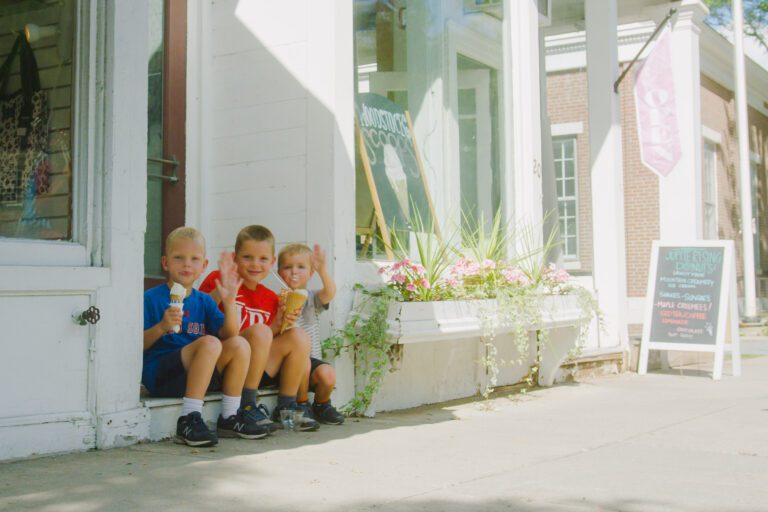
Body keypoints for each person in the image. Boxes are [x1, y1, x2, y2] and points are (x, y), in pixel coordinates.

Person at [143, 227, 271, 447]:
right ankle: (189, 418)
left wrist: (230, 302)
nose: (186, 264)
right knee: (210, 342)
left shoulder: (204, 301)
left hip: (197, 373)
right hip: (162, 375)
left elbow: (229, 334)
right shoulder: (152, 297)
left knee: (239, 343)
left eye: (194, 259)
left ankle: (229, 417)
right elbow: (136, 344)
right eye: (179, 258)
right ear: (165, 263)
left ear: (203, 266)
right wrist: (162, 326)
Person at [200, 225, 320, 431]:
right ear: (234, 257)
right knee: (261, 330)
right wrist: (221, 293)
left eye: (263, 259)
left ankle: (287, 407)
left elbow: (265, 338)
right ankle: (246, 405)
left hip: (255, 368)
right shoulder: (219, 279)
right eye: (247, 257)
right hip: (223, 364)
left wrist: (279, 324)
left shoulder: (271, 298)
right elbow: (199, 314)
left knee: (298, 335)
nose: (255, 264)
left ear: (272, 262)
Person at [278, 243, 345, 425]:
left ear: (310, 273)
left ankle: (322, 405)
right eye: (287, 267)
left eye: (301, 267)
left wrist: (323, 270)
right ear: (278, 272)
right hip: (289, 363)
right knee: (303, 363)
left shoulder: (312, 298)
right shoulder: (277, 299)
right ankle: (301, 404)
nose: (294, 272)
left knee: (328, 374)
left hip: (312, 358)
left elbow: (330, 292)